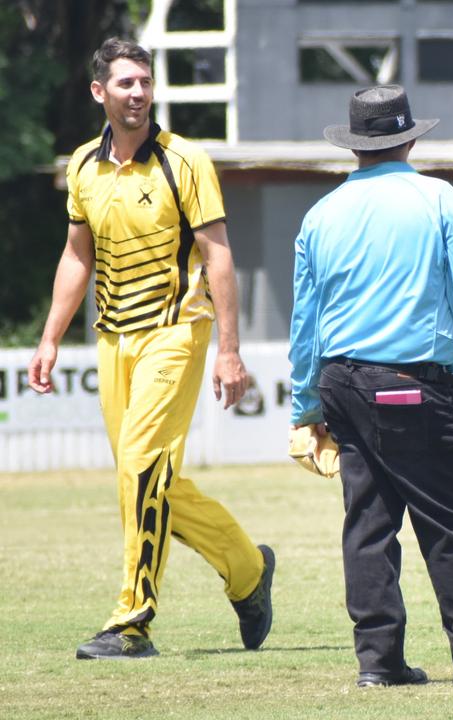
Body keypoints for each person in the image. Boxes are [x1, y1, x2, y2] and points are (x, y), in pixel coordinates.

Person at [289, 84, 453, 688]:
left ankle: (378, 664)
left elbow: (305, 323)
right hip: (415, 385)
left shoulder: (320, 215)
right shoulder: (437, 199)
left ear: (355, 146)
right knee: (448, 523)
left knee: (368, 525)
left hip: (342, 385)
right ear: (408, 138)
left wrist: (306, 404)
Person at [27, 38, 274, 659]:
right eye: (125, 83)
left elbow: (219, 255)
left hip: (176, 332)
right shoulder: (83, 166)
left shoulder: (185, 161)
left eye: (145, 82)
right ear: (99, 92)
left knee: (141, 469)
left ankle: (131, 623)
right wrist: (50, 338)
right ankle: (246, 568)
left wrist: (229, 350)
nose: (138, 93)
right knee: (144, 479)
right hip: (114, 339)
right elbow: (76, 256)